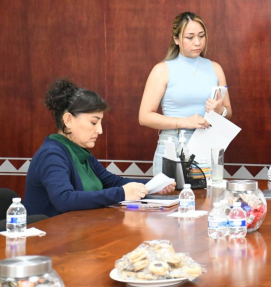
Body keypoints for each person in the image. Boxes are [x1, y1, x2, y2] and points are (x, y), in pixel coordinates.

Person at [24, 79, 175, 218]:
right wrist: (122, 193)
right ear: (68, 120)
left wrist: (152, 186)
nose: (100, 130)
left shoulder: (81, 153)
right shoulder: (51, 154)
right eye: (93, 123)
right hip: (50, 235)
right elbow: (65, 199)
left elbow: (112, 181)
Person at [139, 12, 232, 175]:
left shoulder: (215, 68)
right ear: (176, 39)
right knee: (172, 192)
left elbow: (228, 112)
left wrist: (220, 110)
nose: (197, 42)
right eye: (190, 37)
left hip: (208, 146)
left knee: (208, 192)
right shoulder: (162, 70)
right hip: (173, 146)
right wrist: (185, 122)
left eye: (201, 36)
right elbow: (144, 117)